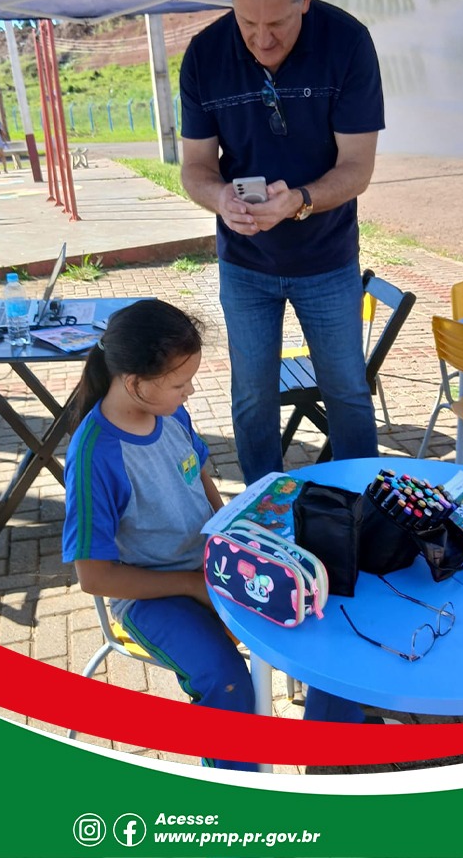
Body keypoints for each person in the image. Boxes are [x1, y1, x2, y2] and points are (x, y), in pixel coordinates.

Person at [62, 301, 376, 772]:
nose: (188, 393)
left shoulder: (168, 413)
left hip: (216, 562)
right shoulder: (95, 456)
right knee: (226, 682)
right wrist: (191, 584)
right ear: (134, 383)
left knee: (327, 617)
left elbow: (198, 473)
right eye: (178, 383)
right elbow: (95, 576)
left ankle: (329, 744)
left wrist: (232, 527)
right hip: (152, 593)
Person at [179, 0, 384, 484]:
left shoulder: (347, 43)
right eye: (248, 23)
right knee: (250, 398)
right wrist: (219, 196)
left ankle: (360, 506)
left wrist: (299, 201)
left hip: (328, 260)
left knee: (347, 391)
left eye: (278, 23)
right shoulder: (204, 55)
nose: (261, 41)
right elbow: (194, 168)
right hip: (245, 267)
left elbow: (358, 168)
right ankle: (261, 510)